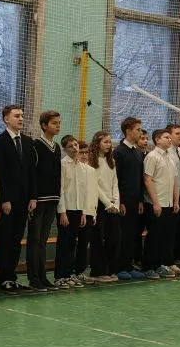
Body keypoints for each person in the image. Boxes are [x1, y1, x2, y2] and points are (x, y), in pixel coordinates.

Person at [0, 105, 36, 292]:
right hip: (7, 201)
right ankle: (3, 279)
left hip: (24, 200)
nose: (21, 119)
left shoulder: (27, 141)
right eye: (16, 116)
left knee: (17, 240)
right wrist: (5, 199)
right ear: (6, 119)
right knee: (5, 239)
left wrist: (33, 197)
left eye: (22, 116)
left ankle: (12, 276)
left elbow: (31, 171)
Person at [27, 110, 62, 290]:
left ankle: (42, 276)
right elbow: (32, 173)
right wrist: (32, 197)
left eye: (59, 123)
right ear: (44, 125)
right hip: (39, 200)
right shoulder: (36, 145)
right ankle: (34, 278)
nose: (58, 126)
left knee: (43, 240)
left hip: (52, 199)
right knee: (35, 239)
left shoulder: (57, 147)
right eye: (54, 123)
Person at [142, 128, 179, 279]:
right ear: (157, 140)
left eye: (170, 138)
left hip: (169, 203)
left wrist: (175, 200)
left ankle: (159, 265)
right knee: (154, 236)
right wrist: (155, 203)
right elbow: (147, 180)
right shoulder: (152, 156)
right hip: (156, 204)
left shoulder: (171, 157)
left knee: (164, 236)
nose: (170, 140)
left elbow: (174, 180)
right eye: (166, 137)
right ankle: (148, 267)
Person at [55, 136, 92, 287]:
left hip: (78, 209)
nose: (75, 148)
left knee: (72, 244)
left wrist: (83, 213)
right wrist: (62, 212)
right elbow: (61, 190)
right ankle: (60, 276)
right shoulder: (62, 165)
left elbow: (83, 191)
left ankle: (70, 274)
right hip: (66, 210)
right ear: (65, 149)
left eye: (76, 145)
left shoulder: (82, 167)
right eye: (71, 146)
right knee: (64, 244)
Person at [113, 117, 146, 279]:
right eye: (137, 130)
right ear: (128, 131)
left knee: (132, 234)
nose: (140, 133)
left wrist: (140, 200)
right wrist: (120, 202)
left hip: (135, 201)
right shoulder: (119, 152)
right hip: (123, 202)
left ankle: (128, 264)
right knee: (123, 235)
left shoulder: (137, 153)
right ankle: (119, 267)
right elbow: (116, 179)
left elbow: (139, 179)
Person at [89, 131, 120, 284]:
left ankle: (109, 268)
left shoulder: (111, 161)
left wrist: (116, 202)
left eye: (109, 142)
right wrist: (107, 203)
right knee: (97, 239)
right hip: (99, 205)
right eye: (105, 142)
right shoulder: (92, 162)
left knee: (113, 238)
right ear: (97, 143)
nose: (109, 145)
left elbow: (115, 183)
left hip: (112, 206)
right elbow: (95, 184)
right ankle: (98, 271)